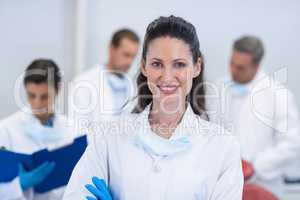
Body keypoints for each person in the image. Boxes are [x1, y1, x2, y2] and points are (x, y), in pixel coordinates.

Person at [63, 16, 243, 200]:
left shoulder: (223, 147)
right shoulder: (109, 137)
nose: (167, 77)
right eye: (157, 64)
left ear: (197, 67)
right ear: (144, 66)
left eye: (179, 64)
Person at [207, 36, 300, 198]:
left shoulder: (278, 95)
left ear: (256, 66)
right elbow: (209, 130)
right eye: (232, 64)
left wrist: (255, 167)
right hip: (224, 183)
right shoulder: (219, 88)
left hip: (262, 185)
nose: (233, 71)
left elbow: (293, 143)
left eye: (241, 68)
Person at [0, 59, 77, 200]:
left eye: (44, 97)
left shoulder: (72, 129)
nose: (37, 103)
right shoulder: (6, 130)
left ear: (58, 89)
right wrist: (19, 185)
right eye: (31, 95)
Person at [69, 29, 140, 134]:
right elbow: (77, 131)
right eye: (126, 55)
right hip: (95, 149)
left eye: (133, 57)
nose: (130, 62)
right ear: (111, 49)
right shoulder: (83, 83)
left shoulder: (135, 87)